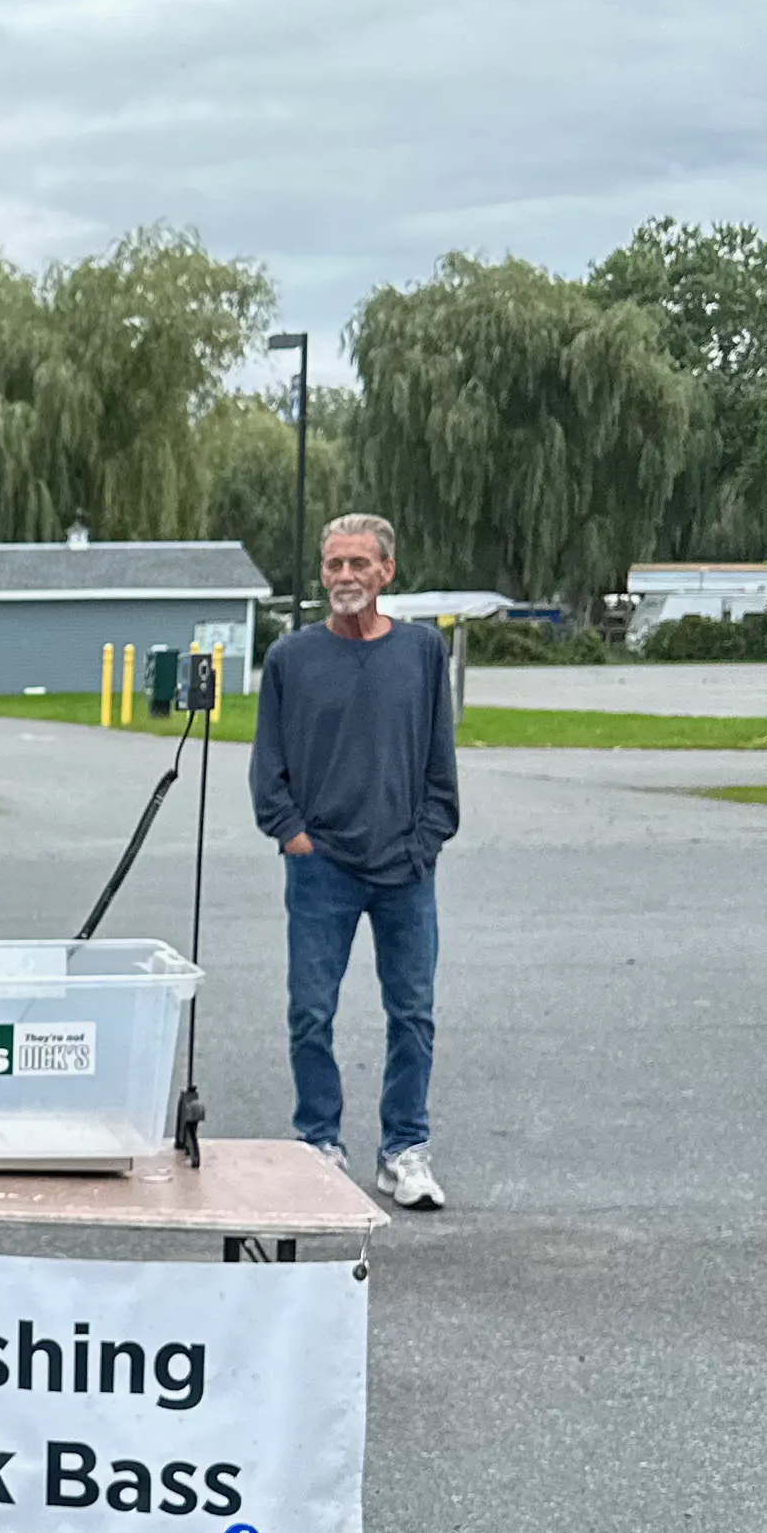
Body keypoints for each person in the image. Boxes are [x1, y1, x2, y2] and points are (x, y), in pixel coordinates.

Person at [250, 509, 459, 1209]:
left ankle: (405, 1149)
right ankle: (320, 1143)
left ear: (386, 571)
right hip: (322, 867)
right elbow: (268, 767)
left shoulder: (422, 653)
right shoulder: (291, 658)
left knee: (413, 1014)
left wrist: (427, 837)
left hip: (406, 866)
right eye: (335, 564)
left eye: (359, 564)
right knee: (311, 1011)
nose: (345, 576)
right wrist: (293, 836)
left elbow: (439, 761)